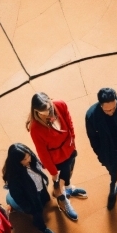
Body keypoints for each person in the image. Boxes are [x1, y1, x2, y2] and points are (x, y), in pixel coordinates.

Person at [27, 93, 87, 223]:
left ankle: (69, 188)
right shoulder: (36, 128)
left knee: (69, 172)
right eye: (42, 112)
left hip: (69, 149)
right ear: (35, 111)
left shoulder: (60, 105)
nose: (48, 114)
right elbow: (42, 152)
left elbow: (69, 121)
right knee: (58, 182)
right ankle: (62, 199)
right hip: (56, 158)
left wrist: (73, 139)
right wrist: (53, 172)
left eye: (49, 109)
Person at [2, 143, 58, 233]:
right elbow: (18, 195)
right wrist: (29, 208)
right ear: (16, 162)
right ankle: (42, 228)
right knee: (37, 213)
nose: (29, 159)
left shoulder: (32, 160)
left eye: (28, 156)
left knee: (44, 201)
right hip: (30, 197)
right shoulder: (15, 177)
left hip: (40, 189)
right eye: (24, 159)